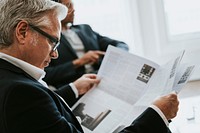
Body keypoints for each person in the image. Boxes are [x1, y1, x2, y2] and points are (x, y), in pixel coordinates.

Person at [0, 0, 179, 133]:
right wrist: (157, 114)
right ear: (23, 32)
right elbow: (35, 103)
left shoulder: (10, 77)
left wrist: (73, 89)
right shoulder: (21, 93)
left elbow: (41, 112)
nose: (55, 54)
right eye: (53, 42)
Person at [43, 0, 129, 89]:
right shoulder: (48, 38)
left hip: (102, 79)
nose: (73, 10)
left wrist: (111, 56)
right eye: (68, 6)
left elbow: (121, 45)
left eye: (73, 6)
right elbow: (47, 75)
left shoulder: (85, 29)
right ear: (56, 10)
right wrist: (79, 62)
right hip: (76, 87)